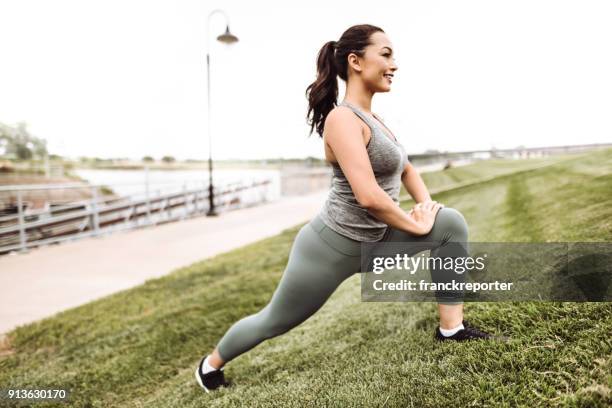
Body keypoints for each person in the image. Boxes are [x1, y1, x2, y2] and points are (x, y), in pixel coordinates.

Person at [195, 24, 504, 393]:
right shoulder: (341, 120)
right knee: (273, 321)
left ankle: (451, 330)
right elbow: (369, 196)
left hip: (377, 240)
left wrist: (427, 208)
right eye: (386, 54)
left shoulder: (377, 121)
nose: (395, 65)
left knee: (450, 224)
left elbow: (405, 168)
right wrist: (415, 224)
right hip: (331, 248)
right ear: (356, 62)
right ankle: (210, 365)